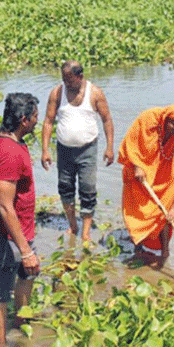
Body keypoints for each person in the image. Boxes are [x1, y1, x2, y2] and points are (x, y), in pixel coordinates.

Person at [0, 93, 41, 345]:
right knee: (0, 292)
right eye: (35, 117)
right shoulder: (9, 153)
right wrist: (25, 251)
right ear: (24, 120)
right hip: (8, 233)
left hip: (22, 228)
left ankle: (21, 323)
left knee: (29, 274)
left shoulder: (3, 138)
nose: (38, 121)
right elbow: (5, 207)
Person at [41, 60, 114, 243]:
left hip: (87, 149)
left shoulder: (95, 93)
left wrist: (110, 147)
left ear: (80, 76)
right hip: (64, 150)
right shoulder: (57, 93)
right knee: (65, 187)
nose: (67, 84)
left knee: (88, 189)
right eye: (64, 80)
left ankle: (86, 232)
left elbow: (106, 120)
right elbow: (48, 121)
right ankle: (73, 225)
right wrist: (45, 150)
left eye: (70, 80)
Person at [118, 105, 174, 268]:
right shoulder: (147, 119)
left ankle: (165, 252)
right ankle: (138, 247)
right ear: (166, 120)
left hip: (166, 175)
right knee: (138, 211)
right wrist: (137, 165)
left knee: (165, 214)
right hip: (140, 173)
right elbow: (131, 143)